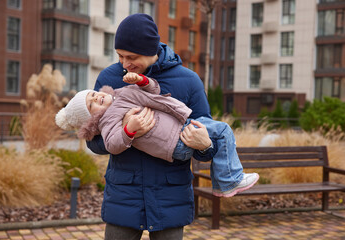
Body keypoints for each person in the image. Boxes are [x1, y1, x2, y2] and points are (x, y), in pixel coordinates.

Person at [77, 13, 221, 239]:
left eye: (131, 57)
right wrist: (127, 132)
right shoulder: (110, 78)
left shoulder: (189, 81)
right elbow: (93, 141)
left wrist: (205, 145)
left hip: (170, 196)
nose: (125, 64)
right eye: (120, 56)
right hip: (124, 195)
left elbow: (208, 142)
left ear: (151, 49)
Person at [55, 72, 259, 196]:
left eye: (93, 94)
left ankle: (226, 182)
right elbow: (112, 144)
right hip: (174, 141)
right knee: (223, 129)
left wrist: (142, 80)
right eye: (91, 104)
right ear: (91, 119)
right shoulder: (107, 120)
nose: (96, 98)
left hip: (182, 125)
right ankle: (228, 181)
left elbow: (154, 90)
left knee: (220, 133)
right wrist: (130, 130)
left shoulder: (121, 93)